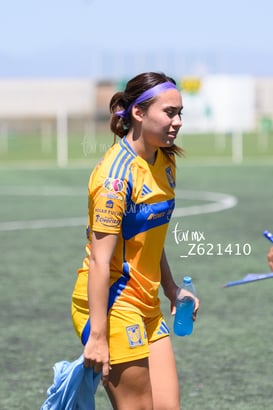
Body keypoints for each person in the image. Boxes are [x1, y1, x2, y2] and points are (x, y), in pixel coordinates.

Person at [71, 72, 200, 410]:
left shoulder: (166, 161)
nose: (178, 122)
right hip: (112, 304)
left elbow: (149, 239)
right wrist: (98, 336)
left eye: (180, 113)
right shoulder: (115, 178)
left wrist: (171, 289)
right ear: (139, 114)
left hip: (147, 304)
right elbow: (100, 260)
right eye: (169, 112)